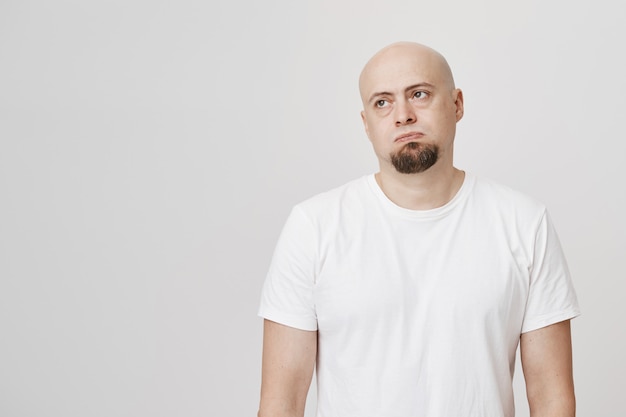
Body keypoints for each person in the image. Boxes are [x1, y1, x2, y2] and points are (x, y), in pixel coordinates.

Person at [257, 41, 580, 417]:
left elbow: (552, 397)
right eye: (382, 102)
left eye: (419, 94)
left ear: (457, 104)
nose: (403, 115)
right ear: (366, 123)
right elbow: (281, 401)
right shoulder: (313, 226)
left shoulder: (525, 223)